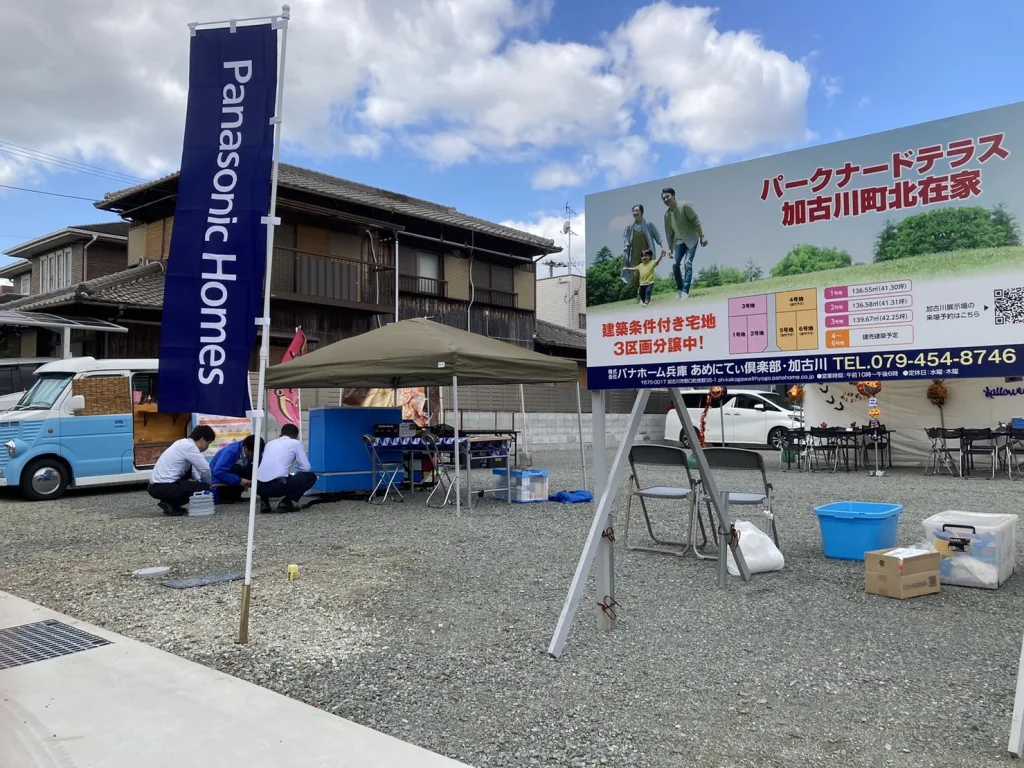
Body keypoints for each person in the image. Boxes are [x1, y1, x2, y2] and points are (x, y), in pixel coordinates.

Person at [147, 425, 215, 516]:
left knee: (197, 484)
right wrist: (208, 483)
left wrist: (199, 480)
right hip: (164, 487)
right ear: (202, 440)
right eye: (208, 443)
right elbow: (205, 468)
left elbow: (193, 468)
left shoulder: (182, 443)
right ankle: (171, 504)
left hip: (154, 487)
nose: (207, 447)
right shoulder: (190, 447)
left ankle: (170, 504)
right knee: (203, 488)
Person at [256, 424, 317, 513]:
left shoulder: (270, 443)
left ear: (281, 434)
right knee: (310, 476)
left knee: (265, 472)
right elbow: (306, 468)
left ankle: (264, 503)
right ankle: (286, 503)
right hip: (277, 487)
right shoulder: (296, 443)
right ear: (296, 436)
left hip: (259, 487)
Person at [662, 187, 708, 300]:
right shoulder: (667, 215)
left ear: (674, 196)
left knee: (687, 262)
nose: (666, 199)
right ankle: (680, 290)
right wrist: (670, 248)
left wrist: (702, 237)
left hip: (691, 238)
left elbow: (696, 221)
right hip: (679, 242)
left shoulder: (684, 206)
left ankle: (686, 292)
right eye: (663, 198)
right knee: (675, 265)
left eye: (667, 196)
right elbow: (669, 233)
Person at [621, 204, 666, 301]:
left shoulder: (648, 224)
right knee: (634, 277)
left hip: (646, 255)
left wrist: (662, 247)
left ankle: (641, 295)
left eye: (637, 211)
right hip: (634, 254)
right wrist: (626, 246)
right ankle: (640, 290)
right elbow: (626, 239)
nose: (635, 213)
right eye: (634, 211)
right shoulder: (630, 227)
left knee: (645, 275)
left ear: (642, 212)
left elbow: (657, 236)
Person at [209, 434, 265, 504]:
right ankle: (225, 496)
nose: (255, 456)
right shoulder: (230, 452)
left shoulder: (255, 451)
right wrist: (239, 480)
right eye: (253, 454)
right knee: (236, 468)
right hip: (218, 479)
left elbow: (259, 468)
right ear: (246, 448)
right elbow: (219, 471)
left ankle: (236, 496)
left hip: (236, 472)